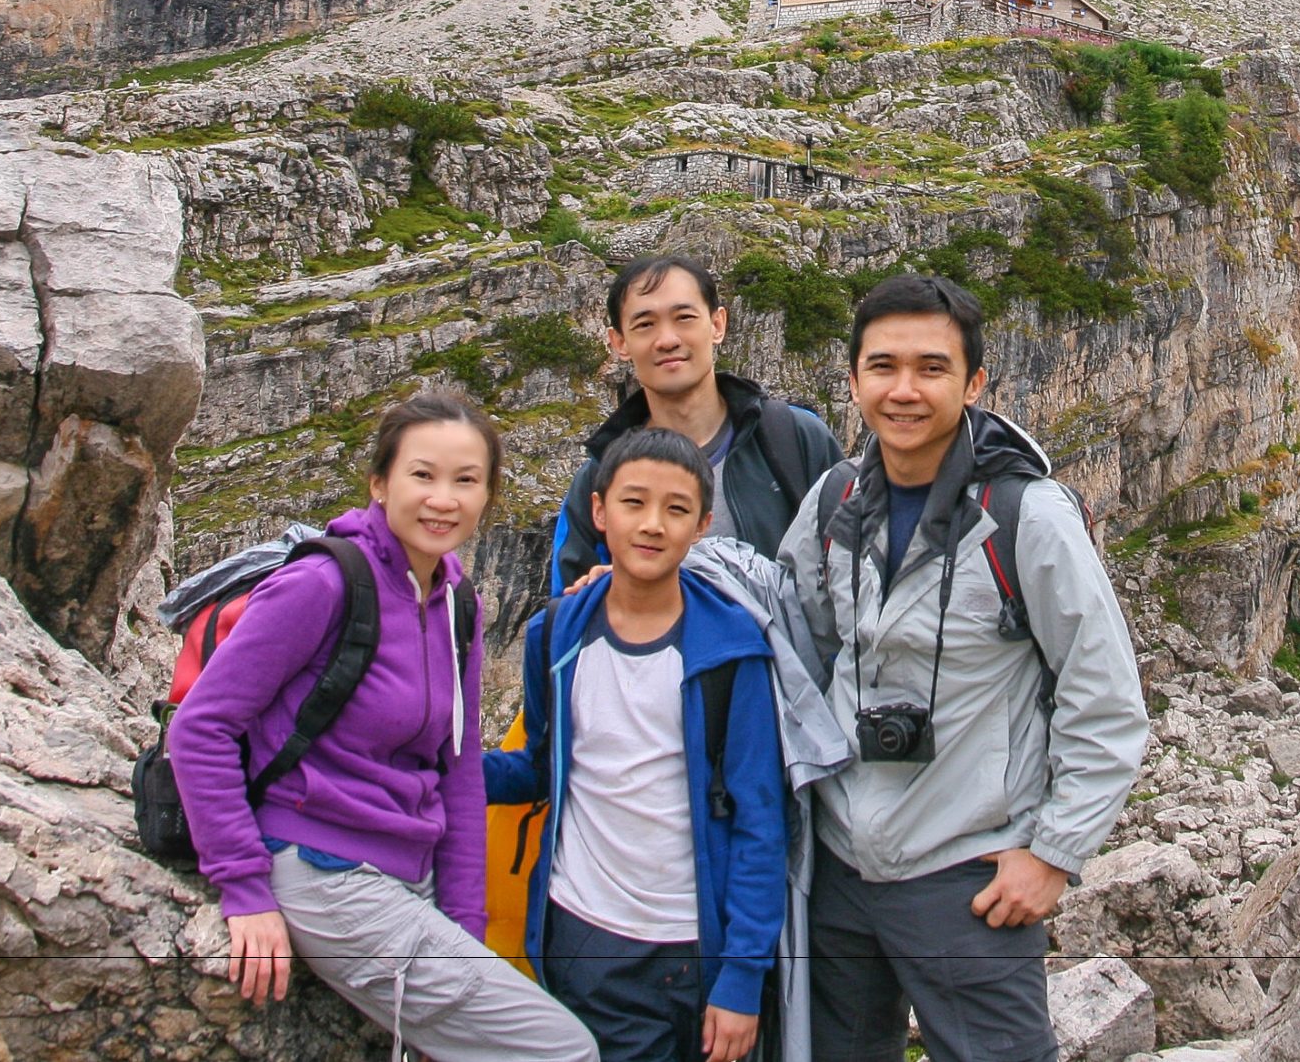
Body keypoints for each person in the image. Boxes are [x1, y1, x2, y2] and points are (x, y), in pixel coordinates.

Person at [776, 276, 1149, 1062]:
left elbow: (1105, 697)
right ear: (852, 380)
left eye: (931, 367)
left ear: (974, 382)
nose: (903, 389)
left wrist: (1053, 853)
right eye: (882, 366)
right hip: (840, 866)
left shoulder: (1027, 517)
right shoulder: (831, 501)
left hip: (970, 874)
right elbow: (800, 649)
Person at [167, 390, 596, 1062]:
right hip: (320, 867)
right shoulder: (324, 583)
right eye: (422, 475)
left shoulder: (455, 601)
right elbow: (200, 728)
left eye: (466, 480)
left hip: (408, 873)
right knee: (562, 1049)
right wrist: (244, 888)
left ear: (488, 495)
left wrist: (464, 933)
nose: (442, 499)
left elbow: (454, 776)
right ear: (379, 482)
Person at [487, 428, 792, 1062]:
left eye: (676, 509)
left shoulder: (731, 651)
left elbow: (760, 819)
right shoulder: (555, 635)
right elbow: (546, 767)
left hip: (686, 948)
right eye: (633, 503)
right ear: (598, 511)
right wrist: (444, 768)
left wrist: (741, 977)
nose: (653, 524)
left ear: (702, 525)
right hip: (579, 933)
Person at [550, 255, 840, 588]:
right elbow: (567, 618)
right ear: (619, 343)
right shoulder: (599, 476)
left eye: (684, 317)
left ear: (717, 325)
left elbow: (854, 573)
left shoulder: (795, 439)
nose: (667, 339)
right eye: (645, 324)